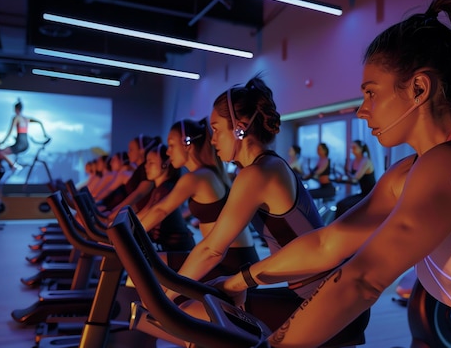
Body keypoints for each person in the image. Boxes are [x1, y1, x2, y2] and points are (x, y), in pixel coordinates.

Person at [215, 0, 451, 347]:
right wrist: (234, 282)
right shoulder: (410, 171)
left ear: (419, 89)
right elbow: (326, 244)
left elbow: (363, 280)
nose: (362, 111)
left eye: (371, 93)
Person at [168, 75, 369, 344]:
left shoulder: (258, 173)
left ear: (239, 128)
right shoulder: (264, 167)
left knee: (193, 314)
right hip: (319, 291)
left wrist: (165, 295)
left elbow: (212, 249)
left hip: (331, 298)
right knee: (208, 308)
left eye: (216, 129)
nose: (213, 140)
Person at [138, 118, 258, 276]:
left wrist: (126, 238)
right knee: (148, 267)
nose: (168, 152)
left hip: (231, 262)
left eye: (172, 145)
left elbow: (160, 210)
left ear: (187, 144)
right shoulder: (207, 173)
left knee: (145, 270)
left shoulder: (197, 177)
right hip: (235, 256)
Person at [137, 144, 195, 252]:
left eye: (151, 162)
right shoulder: (159, 189)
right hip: (173, 247)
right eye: (146, 162)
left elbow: (157, 212)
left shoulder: (165, 189)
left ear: (165, 164)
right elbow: (144, 214)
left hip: (178, 250)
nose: (146, 166)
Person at [98, 135, 160, 220]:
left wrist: (113, 214)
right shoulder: (139, 170)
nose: (128, 153)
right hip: (128, 213)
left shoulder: (144, 171)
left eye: (131, 149)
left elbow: (139, 196)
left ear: (141, 151)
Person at [335, 139, 376, 218]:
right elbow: (351, 177)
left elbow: (355, 178)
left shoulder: (366, 161)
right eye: (351, 148)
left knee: (344, 206)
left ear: (361, 149)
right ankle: (336, 227)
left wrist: (344, 177)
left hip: (371, 195)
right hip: (363, 193)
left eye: (354, 147)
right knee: (340, 204)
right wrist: (342, 176)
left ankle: (342, 227)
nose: (352, 150)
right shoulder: (354, 161)